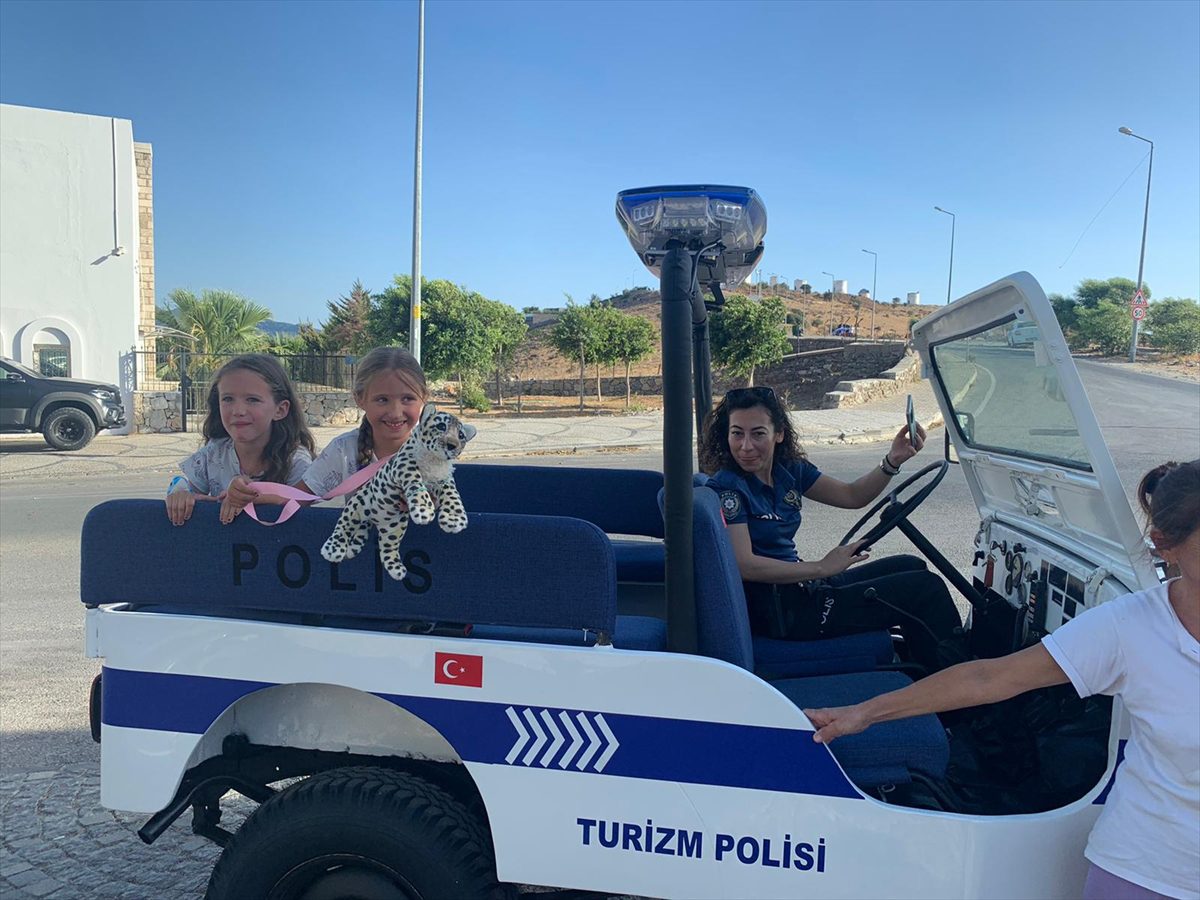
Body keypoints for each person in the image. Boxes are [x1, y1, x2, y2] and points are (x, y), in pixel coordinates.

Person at [805, 460, 1200, 900]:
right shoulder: (1129, 627)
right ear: (1165, 546)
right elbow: (990, 678)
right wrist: (864, 714)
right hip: (1147, 872)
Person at [699, 385, 963, 673]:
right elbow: (745, 565)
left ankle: (924, 669)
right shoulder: (728, 488)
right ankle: (960, 688)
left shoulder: (789, 470)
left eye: (758, 433)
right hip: (782, 611)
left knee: (911, 565)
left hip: (802, 587)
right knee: (925, 590)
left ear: (779, 434)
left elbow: (852, 496)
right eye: (737, 433)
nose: (746, 446)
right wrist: (822, 568)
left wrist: (892, 461)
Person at [165, 353, 316, 526]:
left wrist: (249, 498)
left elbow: (301, 509)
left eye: (252, 400)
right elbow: (186, 487)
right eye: (228, 399)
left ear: (280, 410)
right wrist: (181, 493)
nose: (238, 411)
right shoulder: (214, 453)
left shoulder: (296, 460)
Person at [294, 346, 428, 499]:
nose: (395, 413)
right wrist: (269, 494)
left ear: (424, 397)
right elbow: (298, 497)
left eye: (407, 399)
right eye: (382, 400)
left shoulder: (437, 452)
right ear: (359, 399)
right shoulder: (343, 450)